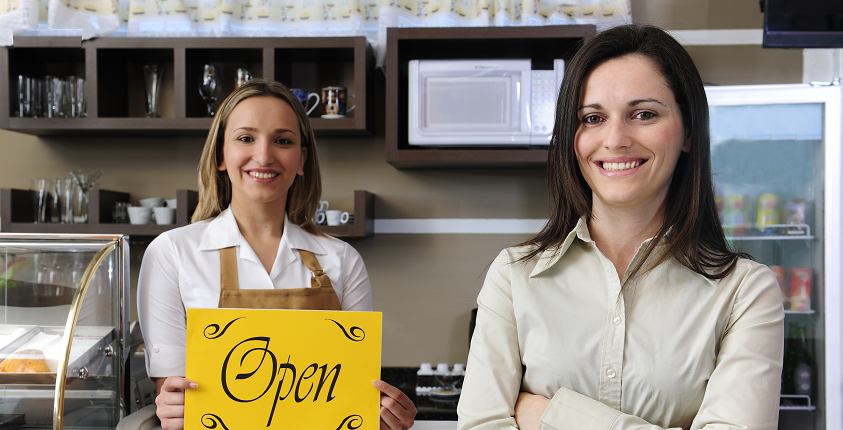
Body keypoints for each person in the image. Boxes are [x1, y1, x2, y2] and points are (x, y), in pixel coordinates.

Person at [457, 24, 784, 430]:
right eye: (592, 118)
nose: (614, 139)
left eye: (643, 114)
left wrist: (551, 415)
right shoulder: (512, 277)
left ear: (688, 131)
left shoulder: (745, 292)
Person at [137, 79, 416, 430]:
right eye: (245, 138)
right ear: (220, 155)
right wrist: (172, 406)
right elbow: (173, 391)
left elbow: (351, 395)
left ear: (301, 159)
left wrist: (385, 416)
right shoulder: (172, 252)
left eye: (282, 141)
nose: (264, 155)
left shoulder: (342, 260)